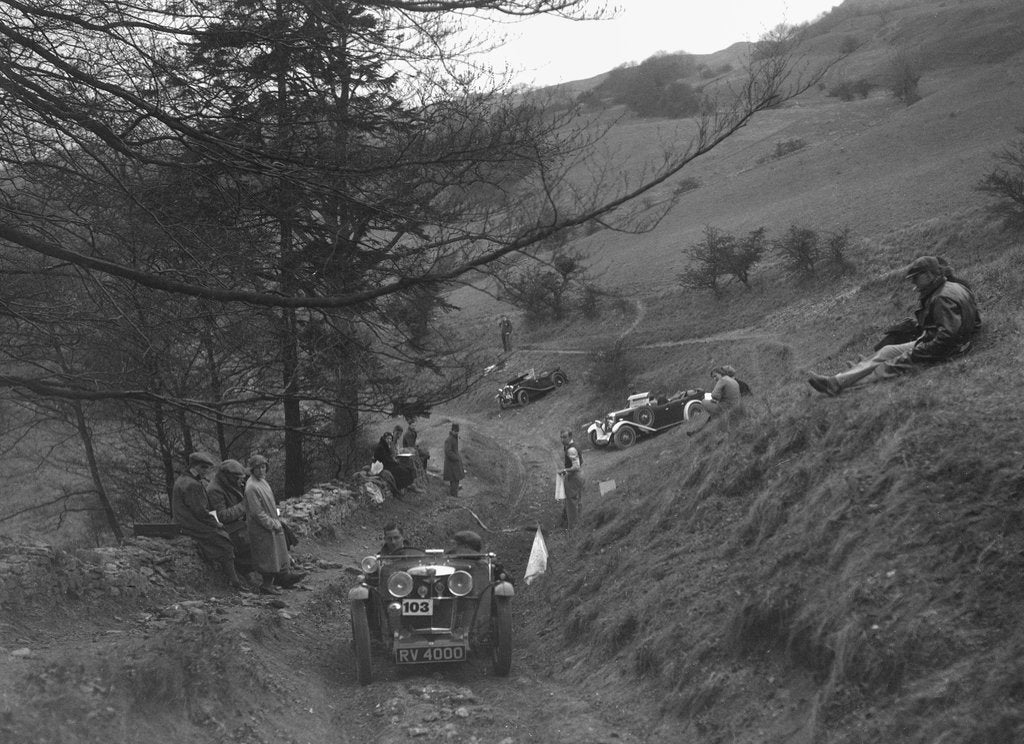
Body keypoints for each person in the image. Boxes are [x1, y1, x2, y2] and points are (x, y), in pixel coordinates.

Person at [808, 255, 980, 396]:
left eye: (916, 278)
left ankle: (842, 387)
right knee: (887, 351)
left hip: (945, 349)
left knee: (888, 367)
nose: (914, 284)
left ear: (928, 275)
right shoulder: (954, 287)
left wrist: (918, 351)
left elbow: (947, 338)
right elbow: (976, 320)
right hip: (940, 342)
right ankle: (843, 378)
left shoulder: (941, 297)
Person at [171, 451, 245, 590]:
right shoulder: (193, 484)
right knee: (225, 541)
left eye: (207, 468)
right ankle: (234, 581)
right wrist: (216, 524)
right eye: (203, 468)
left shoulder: (183, 479)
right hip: (190, 524)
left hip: (184, 521)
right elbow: (201, 512)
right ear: (194, 467)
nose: (206, 471)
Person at [244, 455, 305, 594]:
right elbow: (256, 512)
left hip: (272, 522)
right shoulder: (251, 487)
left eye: (263, 467)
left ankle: (284, 578)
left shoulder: (262, 482)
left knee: (278, 552)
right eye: (258, 468)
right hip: (261, 527)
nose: (261, 470)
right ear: (252, 469)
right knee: (268, 556)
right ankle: (266, 585)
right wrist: (271, 523)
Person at [206, 458, 252, 575]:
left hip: (238, 523)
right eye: (237, 478)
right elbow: (222, 516)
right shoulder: (215, 489)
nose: (240, 481)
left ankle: (281, 566)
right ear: (227, 476)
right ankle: (250, 572)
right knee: (253, 537)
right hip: (226, 529)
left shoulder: (231, 484)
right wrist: (244, 505)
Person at [687, 366, 742, 436]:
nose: (714, 379)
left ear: (720, 373)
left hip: (727, 407)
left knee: (704, 401)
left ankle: (715, 419)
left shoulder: (722, 380)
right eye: (713, 377)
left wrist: (715, 400)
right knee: (712, 415)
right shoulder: (732, 380)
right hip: (736, 405)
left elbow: (714, 395)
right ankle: (699, 429)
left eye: (715, 376)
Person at [558, 429, 584, 532]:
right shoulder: (573, 446)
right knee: (578, 499)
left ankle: (573, 528)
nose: (562, 439)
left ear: (570, 437)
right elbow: (582, 461)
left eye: (564, 437)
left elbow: (576, 466)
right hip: (580, 475)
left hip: (574, 476)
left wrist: (564, 470)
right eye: (561, 437)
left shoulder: (571, 450)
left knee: (571, 503)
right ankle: (579, 522)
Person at [443, 423, 465, 498]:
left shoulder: (454, 438)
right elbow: (448, 452)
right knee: (453, 480)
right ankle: (453, 496)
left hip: (454, 463)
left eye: (457, 431)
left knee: (456, 479)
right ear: (452, 430)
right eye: (455, 431)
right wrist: (456, 458)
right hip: (451, 464)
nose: (457, 433)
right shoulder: (449, 440)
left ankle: (455, 495)